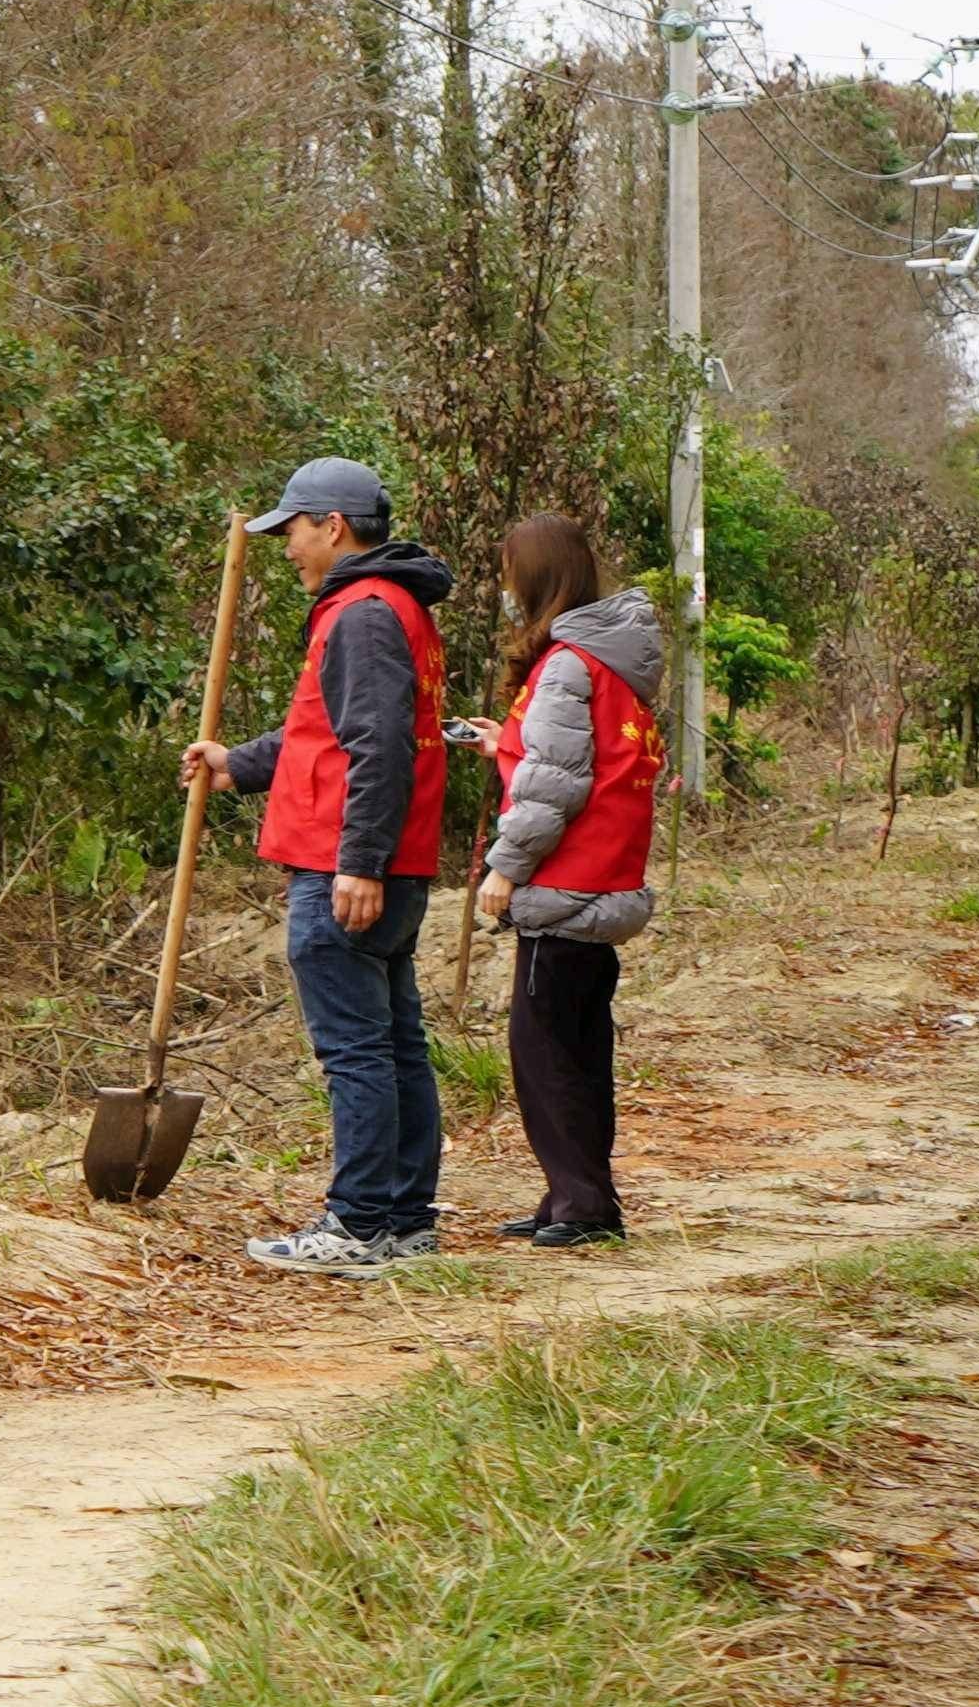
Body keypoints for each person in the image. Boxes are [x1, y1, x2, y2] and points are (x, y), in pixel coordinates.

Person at [187, 458, 455, 1273]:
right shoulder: (383, 607)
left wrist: (359, 863)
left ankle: (360, 1224)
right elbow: (324, 734)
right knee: (394, 1042)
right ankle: (402, 1218)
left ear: (332, 525)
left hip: (347, 864)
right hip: (378, 861)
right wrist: (241, 761)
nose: (288, 548)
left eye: (294, 531)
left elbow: (378, 747)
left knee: (358, 1052)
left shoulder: (366, 613)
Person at [454, 512, 660, 1247]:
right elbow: (574, 762)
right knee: (580, 1049)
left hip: (564, 889)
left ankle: (582, 1204)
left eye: (510, 574)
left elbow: (554, 789)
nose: (506, 589)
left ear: (536, 577)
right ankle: (576, 1195)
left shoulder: (567, 662)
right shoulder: (609, 660)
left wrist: (503, 870)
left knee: (543, 1056)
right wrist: (504, 744)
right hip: (607, 879)